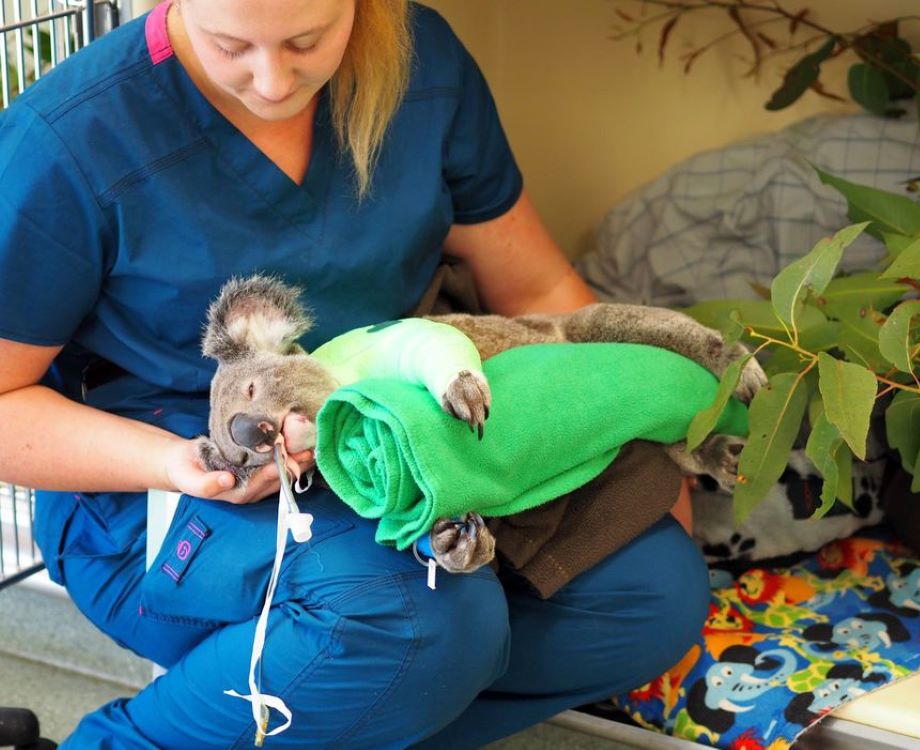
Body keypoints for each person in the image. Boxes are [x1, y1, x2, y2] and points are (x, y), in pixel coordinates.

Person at [0, 0, 709, 746]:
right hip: (156, 489)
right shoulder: (69, 139)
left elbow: (533, 292)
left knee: (648, 594)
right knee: (420, 620)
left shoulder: (421, 61)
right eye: (230, 45)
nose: (272, 82)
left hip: (403, 440)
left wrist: (636, 436)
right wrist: (181, 464)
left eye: (308, 40)